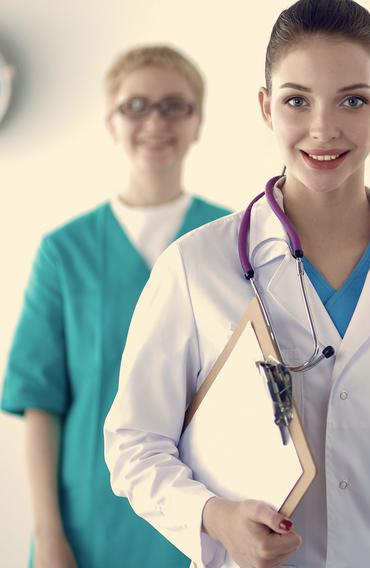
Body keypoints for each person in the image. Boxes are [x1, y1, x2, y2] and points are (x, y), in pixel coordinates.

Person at [103, 1, 370, 567]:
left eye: (353, 100)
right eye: (297, 100)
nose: (324, 128)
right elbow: (134, 445)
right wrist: (215, 517)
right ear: (266, 108)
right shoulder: (196, 267)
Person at [0, 45, 230, 567]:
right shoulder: (64, 251)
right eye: (135, 105)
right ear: (110, 121)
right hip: (89, 522)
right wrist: (48, 534)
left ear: (198, 122)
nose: (155, 121)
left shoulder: (235, 241)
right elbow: (42, 405)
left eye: (175, 105)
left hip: (205, 517)